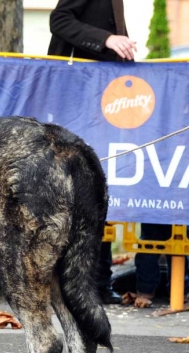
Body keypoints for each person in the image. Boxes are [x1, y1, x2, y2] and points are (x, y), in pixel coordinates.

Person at [48, 0, 137, 304]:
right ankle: (76, 282)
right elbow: (59, 20)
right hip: (77, 96)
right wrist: (107, 40)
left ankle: (98, 281)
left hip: (102, 99)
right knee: (78, 192)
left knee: (98, 190)